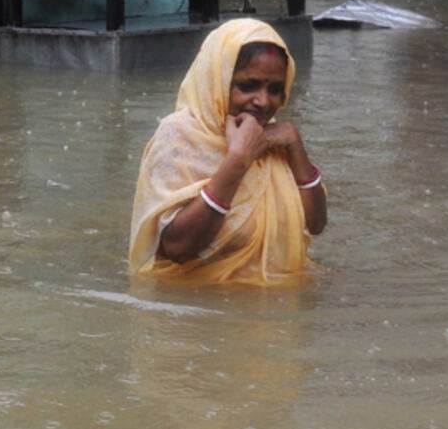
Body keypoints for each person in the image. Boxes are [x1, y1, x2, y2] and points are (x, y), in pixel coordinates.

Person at [128, 18, 327, 287]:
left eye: (275, 89)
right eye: (248, 85)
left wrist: (295, 145)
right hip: (197, 314)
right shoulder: (180, 136)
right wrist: (238, 160)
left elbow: (315, 224)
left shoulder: (272, 139)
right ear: (217, 80)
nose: (263, 101)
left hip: (273, 313)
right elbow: (177, 248)